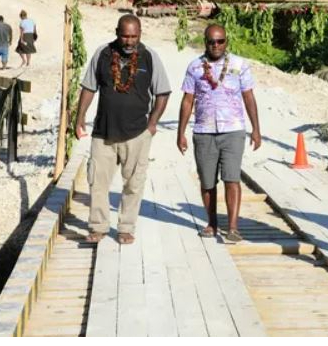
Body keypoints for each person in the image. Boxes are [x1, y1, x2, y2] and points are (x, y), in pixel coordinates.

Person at [75, 14, 171, 245]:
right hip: (103, 131)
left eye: (134, 36)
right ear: (117, 32)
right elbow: (89, 87)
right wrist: (80, 119)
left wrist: (152, 123)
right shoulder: (103, 53)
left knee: (133, 183)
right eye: (125, 36)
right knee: (97, 181)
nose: (129, 41)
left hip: (137, 132)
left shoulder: (149, 57)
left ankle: (126, 227)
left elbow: (163, 92)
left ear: (140, 34)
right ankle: (98, 227)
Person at [177, 24, 261, 243]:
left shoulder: (239, 65)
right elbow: (187, 100)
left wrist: (256, 130)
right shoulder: (194, 67)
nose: (216, 46)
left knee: (232, 178)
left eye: (220, 41)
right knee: (207, 181)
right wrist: (181, 132)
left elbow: (249, 97)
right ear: (205, 42)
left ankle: (233, 227)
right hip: (203, 130)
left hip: (233, 129)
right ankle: (212, 223)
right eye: (211, 42)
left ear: (226, 42)